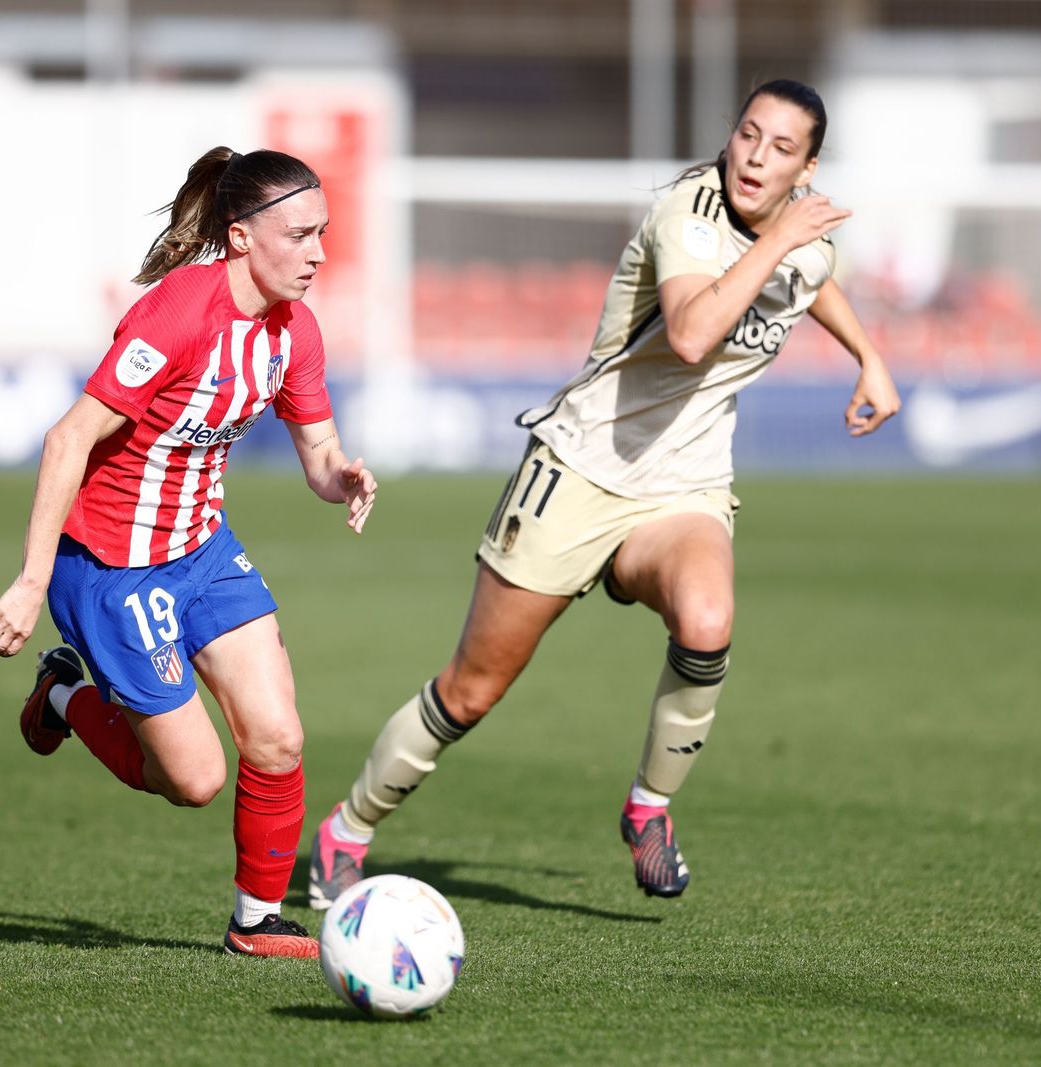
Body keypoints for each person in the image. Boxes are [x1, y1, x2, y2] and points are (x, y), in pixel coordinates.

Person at [307, 80, 900, 906]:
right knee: (471, 689)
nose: (755, 158)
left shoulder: (799, 237)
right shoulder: (689, 215)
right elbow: (691, 334)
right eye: (747, 134)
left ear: (807, 169)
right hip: (580, 471)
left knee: (708, 621)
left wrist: (869, 356)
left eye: (780, 148)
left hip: (684, 484)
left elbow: (811, 272)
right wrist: (782, 238)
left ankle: (648, 807)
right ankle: (347, 828)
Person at [0, 147, 377, 957]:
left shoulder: (293, 329)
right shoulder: (177, 314)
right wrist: (30, 582)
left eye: (323, 233)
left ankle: (256, 922)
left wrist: (343, 477)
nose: (317, 254)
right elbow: (67, 439)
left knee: (279, 736)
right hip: (111, 569)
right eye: (299, 235)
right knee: (194, 780)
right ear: (241, 236)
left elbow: (319, 454)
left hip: (203, 551)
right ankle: (62, 696)